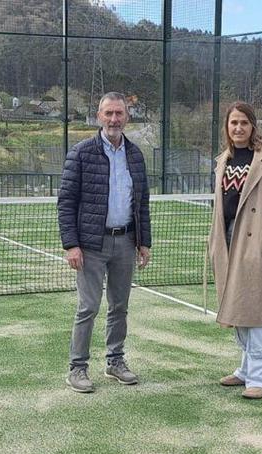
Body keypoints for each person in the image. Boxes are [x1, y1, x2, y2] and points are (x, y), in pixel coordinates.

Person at [57, 91, 152, 393]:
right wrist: (71, 244)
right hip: (90, 245)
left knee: (119, 307)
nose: (114, 119)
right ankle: (78, 368)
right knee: (88, 308)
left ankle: (115, 361)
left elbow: (143, 202)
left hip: (125, 242)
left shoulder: (135, 155)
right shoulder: (81, 152)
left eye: (119, 114)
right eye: (108, 113)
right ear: (98, 116)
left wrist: (143, 241)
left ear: (127, 117)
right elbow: (66, 202)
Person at [208, 101, 262, 400]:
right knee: (238, 308)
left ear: (253, 126)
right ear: (227, 127)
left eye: (244, 122)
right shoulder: (223, 160)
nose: (238, 128)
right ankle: (246, 370)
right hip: (228, 243)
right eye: (233, 123)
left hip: (256, 244)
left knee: (259, 312)